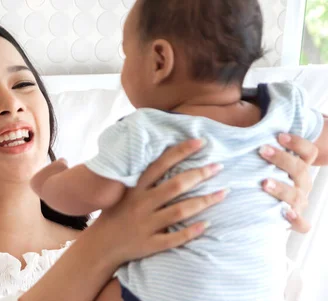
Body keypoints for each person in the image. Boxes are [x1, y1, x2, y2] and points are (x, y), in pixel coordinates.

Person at [0, 20, 320, 301]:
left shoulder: (147, 224)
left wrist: (258, 195)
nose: (11, 104)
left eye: (23, 85)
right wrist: (108, 241)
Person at [31, 1, 327, 301]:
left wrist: (47, 184)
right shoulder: (284, 108)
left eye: (126, 54)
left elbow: (89, 195)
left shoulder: (148, 130)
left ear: (159, 60)